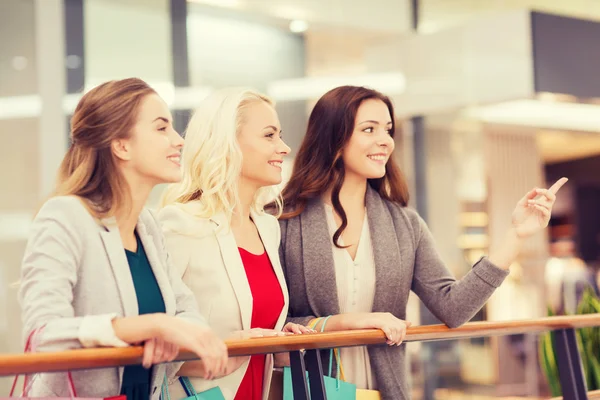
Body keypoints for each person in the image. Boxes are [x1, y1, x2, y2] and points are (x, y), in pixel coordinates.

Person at [275, 85, 568, 399]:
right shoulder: (284, 222)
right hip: (310, 389)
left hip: (383, 391)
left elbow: (453, 308)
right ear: (333, 139)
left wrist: (516, 235)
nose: (384, 141)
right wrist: (349, 322)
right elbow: (273, 325)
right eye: (368, 129)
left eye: (387, 129)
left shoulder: (405, 225)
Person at [19, 78, 228, 400]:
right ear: (121, 145)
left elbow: (187, 313)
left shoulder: (147, 225)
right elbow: (43, 334)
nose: (178, 140)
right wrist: (152, 326)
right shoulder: (64, 216)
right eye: (161, 128)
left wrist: (170, 329)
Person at [158, 88, 311, 400]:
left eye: (279, 135)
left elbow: (255, 321)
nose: (284, 147)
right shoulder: (181, 224)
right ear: (228, 144)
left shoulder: (268, 228)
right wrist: (224, 349)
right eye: (269, 136)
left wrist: (278, 341)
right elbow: (152, 344)